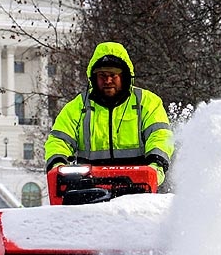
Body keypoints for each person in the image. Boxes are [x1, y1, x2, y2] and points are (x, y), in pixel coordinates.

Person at [44, 42, 174, 185]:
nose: (108, 80)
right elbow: (58, 140)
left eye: (113, 75)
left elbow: (160, 136)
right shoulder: (77, 107)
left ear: (124, 76)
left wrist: (155, 166)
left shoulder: (148, 102)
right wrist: (57, 165)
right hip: (88, 186)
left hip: (138, 185)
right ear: (93, 78)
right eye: (102, 75)